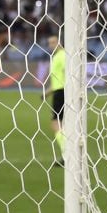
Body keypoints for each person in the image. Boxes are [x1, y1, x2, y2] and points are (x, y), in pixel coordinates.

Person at [44, 35, 66, 167]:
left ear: (59, 42)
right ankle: (67, 153)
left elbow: (66, 73)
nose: (50, 45)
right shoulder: (57, 56)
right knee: (61, 124)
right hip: (58, 91)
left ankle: (66, 153)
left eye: (53, 42)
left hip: (62, 92)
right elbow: (58, 78)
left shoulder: (62, 56)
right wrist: (47, 93)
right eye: (49, 43)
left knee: (56, 123)